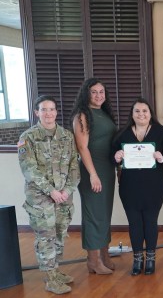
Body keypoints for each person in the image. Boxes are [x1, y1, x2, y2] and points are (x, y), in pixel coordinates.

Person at [18, 96, 80, 295]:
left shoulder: (66, 136)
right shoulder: (28, 137)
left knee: (60, 234)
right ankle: (50, 278)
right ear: (36, 113)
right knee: (46, 237)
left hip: (63, 196)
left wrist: (66, 191)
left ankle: (56, 270)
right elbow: (29, 170)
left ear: (56, 112)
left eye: (52, 109)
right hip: (40, 198)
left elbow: (73, 166)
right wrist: (51, 191)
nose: (48, 113)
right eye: (44, 110)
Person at [112, 98, 163, 276]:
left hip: (154, 186)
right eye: (137, 111)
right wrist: (116, 156)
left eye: (144, 111)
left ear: (150, 113)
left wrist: (162, 158)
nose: (141, 114)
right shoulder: (123, 133)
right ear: (132, 114)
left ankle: (150, 259)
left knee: (150, 221)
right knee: (134, 223)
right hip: (129, 186)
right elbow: (111, 155)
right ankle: (137, 259)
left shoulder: (161, 132)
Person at [71, 78, 117, 275]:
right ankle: (93, 261)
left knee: (104, 213)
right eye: (94, 92)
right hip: (93, 170)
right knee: (93, 214)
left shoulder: (104, 113)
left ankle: (104, 254)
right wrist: (92, 174)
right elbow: (82, 147)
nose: (99, 95)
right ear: (86, 94)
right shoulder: (82, 115)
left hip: (107, 170)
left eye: (101, 92)